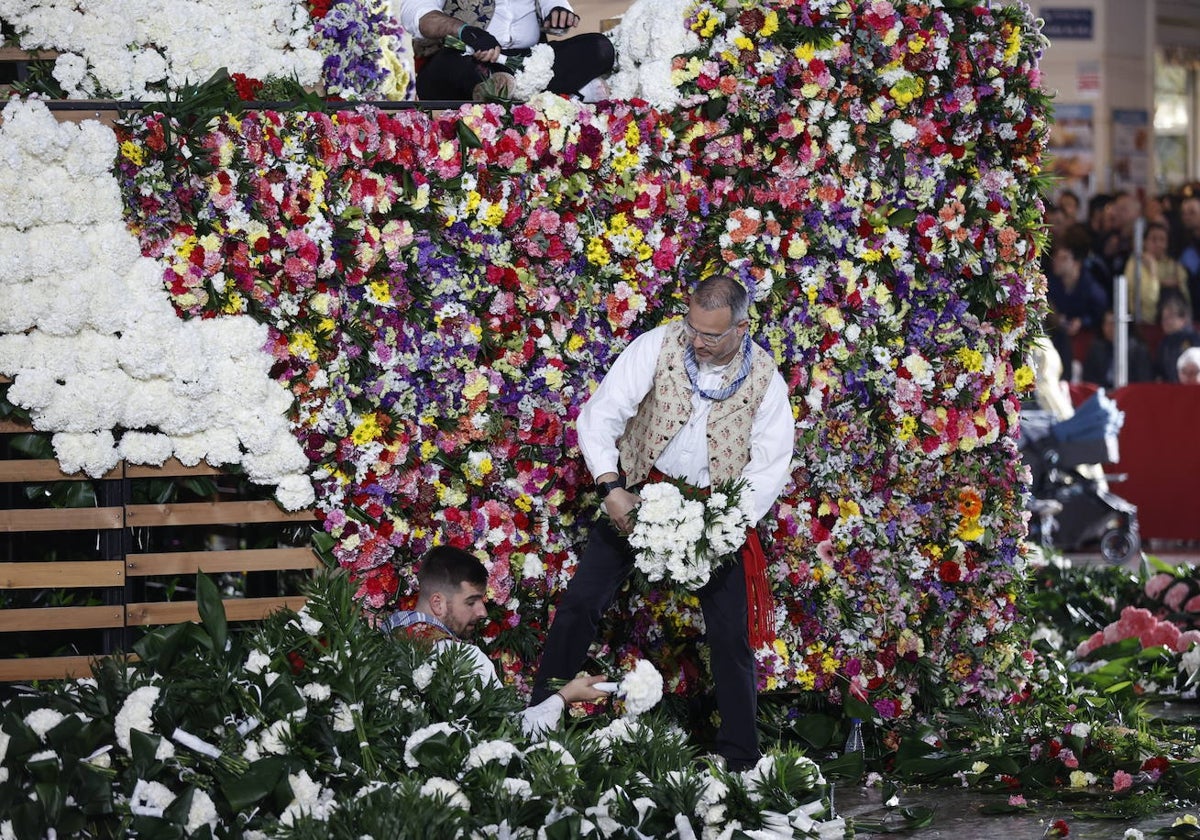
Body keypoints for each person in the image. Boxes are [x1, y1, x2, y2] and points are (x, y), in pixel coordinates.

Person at [530, 275, 795, 771]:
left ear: (742, 326)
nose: (697, 341)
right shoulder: (658, 344)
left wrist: (723, 524)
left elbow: (769, 467)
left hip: (714, 511)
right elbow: (602, 414)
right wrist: (611, 489)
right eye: (693, 328)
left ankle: (740, 759)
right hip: (641, 493)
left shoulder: (765, 378)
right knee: (582, 602)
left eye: (711, 335)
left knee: (729, 635)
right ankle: (535, 718)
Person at [381, 545, 609, 735]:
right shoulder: (462, 659)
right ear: (438, 603)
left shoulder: (384, 635)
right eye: (471, 602)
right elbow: (509, 733)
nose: (482, 612)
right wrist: (565, 696)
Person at [398, 0, 615, 101]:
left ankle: (506, 90)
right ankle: (563, 93)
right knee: (455, 67)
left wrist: (559, 15)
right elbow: (415, 13)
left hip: (526, 63)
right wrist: (462, 30)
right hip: (465, 60)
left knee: (600, 48)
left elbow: (554, 5)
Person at [1047, 224, 1109, 338]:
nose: (1056, 261)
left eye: (1064, 258)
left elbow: (1100, 316)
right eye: (1056, 256)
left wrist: (1083, 322)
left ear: (1077, 261)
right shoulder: (1049, 284)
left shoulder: (1093, 291)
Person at [1123, 220, 1189, 326]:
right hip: (1147, 325)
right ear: (1144, 242)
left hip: (1177, 325)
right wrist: (1153, 272)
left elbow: (1185, 301)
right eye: (1153, 239)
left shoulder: (1176, 267)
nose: (1158, 244)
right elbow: (1149, 299)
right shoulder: (1135, 264)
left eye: (1162, 240)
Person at [1080, 310, 1152, 389]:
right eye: (1106, 323)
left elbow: (1143, 382)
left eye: (1113, 323)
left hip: (1129, 395)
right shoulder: (1096, 349)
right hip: (1102, 395)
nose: (1110, 327)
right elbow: (1088, 380)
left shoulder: (1138, 350)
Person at [1154, 292, 1200, 383]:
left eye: (1170, 317)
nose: (1166, 322)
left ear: (1183, 319)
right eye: (1164, 318)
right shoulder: (1163, 344)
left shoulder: (1194, 340)